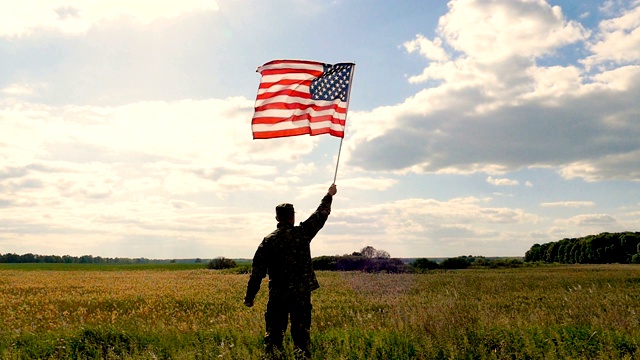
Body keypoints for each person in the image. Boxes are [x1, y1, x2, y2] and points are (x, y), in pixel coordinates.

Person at [244, 184, 337, 359]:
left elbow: (257, 274)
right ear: (293, 217)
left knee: (274, 337)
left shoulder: (268, 241)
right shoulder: (302, 233)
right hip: (301, 296)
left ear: (277, 218)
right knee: (301, 337)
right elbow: (321, 214)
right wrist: (329, 195)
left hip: (278, 295)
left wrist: (250, 297)